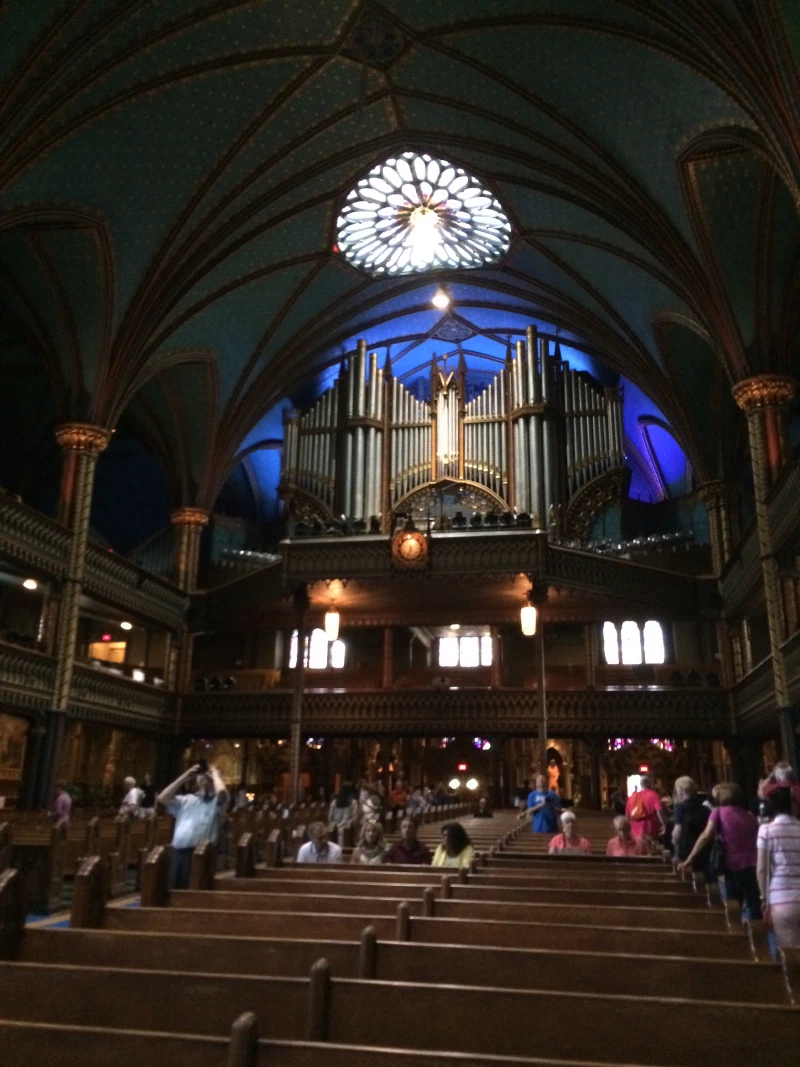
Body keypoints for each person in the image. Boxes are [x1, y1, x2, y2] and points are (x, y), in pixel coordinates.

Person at [678, 782, 761, 919]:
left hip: (732, 864)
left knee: (733, 904)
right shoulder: (749, 816)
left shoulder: (718, 812)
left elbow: (706, 836)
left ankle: (737, 930)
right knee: (753, 903)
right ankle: (756, 929)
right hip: (752, 863)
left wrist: (689, 858)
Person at [157, 763, 229, 889]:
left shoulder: (216, 802)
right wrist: (184, 777)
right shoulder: (187, 800)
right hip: (178, 852)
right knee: (173, 890)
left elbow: (222, 793)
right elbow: (162, 798)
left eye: (206, 775)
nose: (203, 777)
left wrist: (215, 774)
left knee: (194, 891)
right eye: (200, 775)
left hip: (200, 855)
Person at [757, 787, 800, 948]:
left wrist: (764, 898)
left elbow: (762, 869)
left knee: (791, 952)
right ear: (793, 805)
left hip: (782, 898)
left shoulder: (767, 830)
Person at [671, 775, 709, 872]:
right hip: (703, 848)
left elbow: (677, 831)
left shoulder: (680, 808)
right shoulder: (705, 809)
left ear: (680, 791)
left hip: (686, 848)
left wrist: (674, 842)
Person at [625, 774, 665, 843]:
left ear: (640, 784)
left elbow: (627, 816)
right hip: (650, 829)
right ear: (650, 784)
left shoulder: (632, 796)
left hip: (635, 830)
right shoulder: (653, 794)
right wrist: (664, 824)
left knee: (638, 848)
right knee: (650, 847)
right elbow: (659, 811)